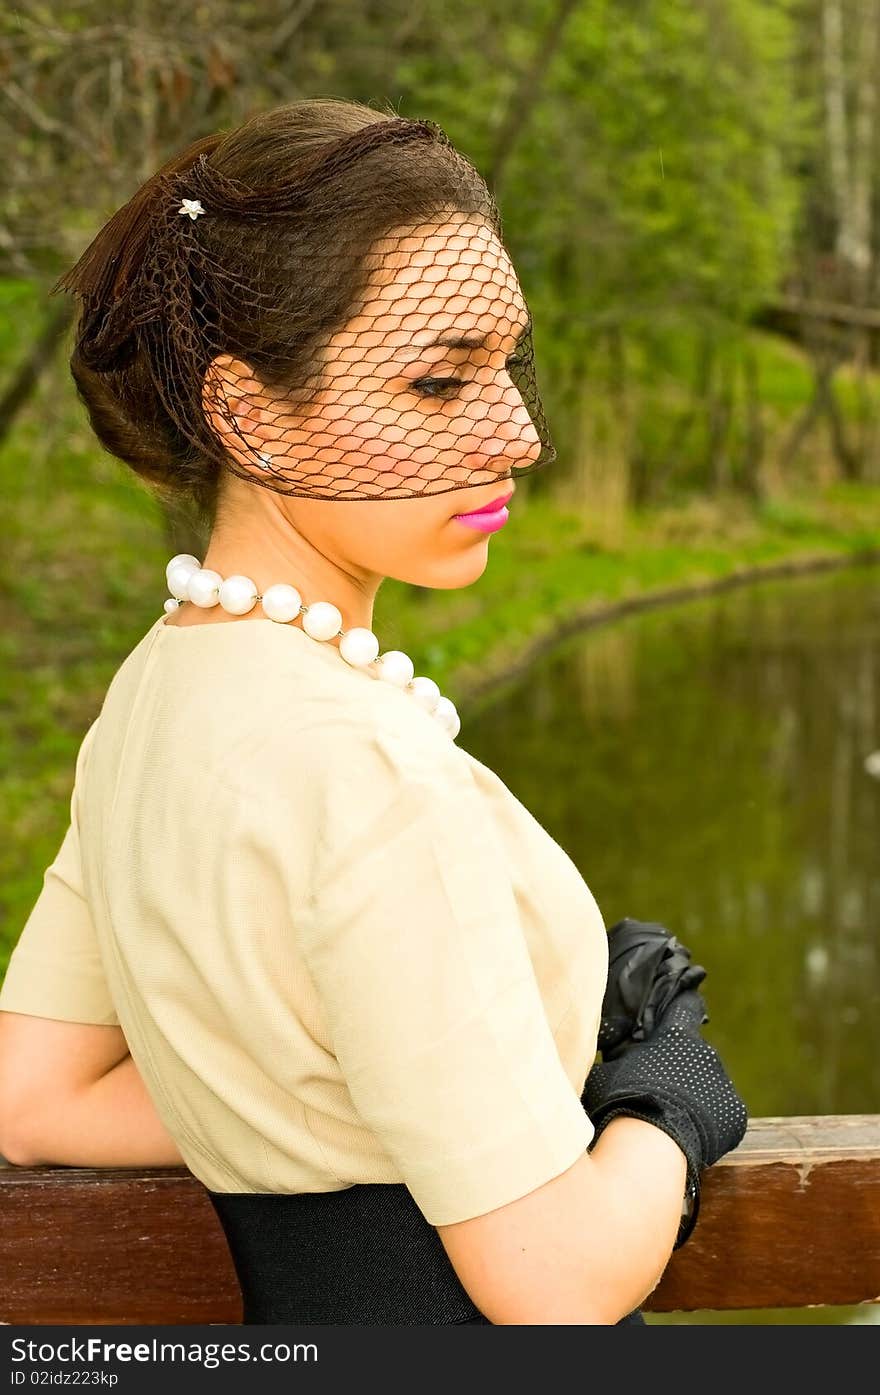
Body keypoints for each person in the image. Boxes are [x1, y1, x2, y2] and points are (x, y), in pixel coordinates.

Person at [0, 98, 747, 1325]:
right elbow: (552, 1284)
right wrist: (666, 1102)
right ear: (244, 410)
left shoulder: (155, 696)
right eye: (441, 379)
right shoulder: (362, 768)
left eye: (507, 367)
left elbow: (36, 1101)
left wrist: (444, 1077)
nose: (517, 433)